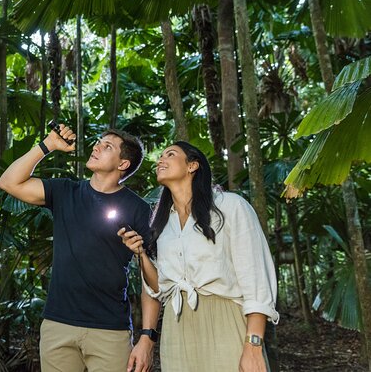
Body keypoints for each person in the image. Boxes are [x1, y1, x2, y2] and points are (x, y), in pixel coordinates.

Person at [0, 124, 160, 372]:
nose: (97, 147)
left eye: (108, 147)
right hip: (58, 324)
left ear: (123, 164)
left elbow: (153, 284)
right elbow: (8, 182)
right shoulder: (65, 191)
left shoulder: (138, 209)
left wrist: (147, 336)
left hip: (109, 329)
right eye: (99, 142)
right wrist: (48, 145)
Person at [119, 141, 279, 372]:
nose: (160, 160)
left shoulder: (231, 206)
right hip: (177, 325)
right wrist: (141, 254)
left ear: (192, 166)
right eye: (160, 156)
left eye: (170, 154)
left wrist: (253, 344)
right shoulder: (162, 225)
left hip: (225, 321)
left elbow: (256, 279)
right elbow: (159, 288)